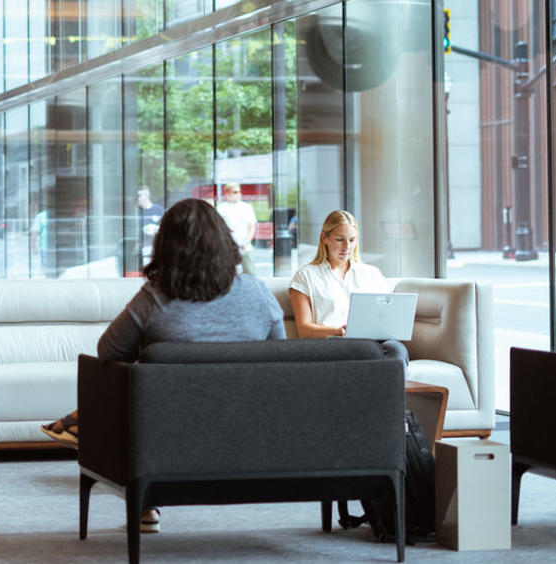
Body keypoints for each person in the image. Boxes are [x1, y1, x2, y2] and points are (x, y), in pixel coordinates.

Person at [41, 198, 286, 532]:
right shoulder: (258, 293)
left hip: (166, 434)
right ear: (226, 243)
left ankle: (104, 446)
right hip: (247, 429)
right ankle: (83, 421)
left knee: (127, 374)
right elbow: (278, 356)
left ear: (167, 248)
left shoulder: (155, 297)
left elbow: (108, 351)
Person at [287, 210, 408, 363]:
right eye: (339, 240)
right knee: (370, 352)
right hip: (332, 343)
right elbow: (304, 330)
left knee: (396, 350)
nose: (346, 247)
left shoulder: (371, 273)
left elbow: (388, 315)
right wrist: (338, 331)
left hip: (371, 342)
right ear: (324, 238)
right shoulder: (306, 276)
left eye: (352, 240)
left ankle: (385, 376)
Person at [215, 182, 258, 275]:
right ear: (227, 194)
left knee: (250, 272)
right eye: (235, 192)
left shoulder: (246, 207)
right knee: (226, 274)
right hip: (227, 247)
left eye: (239, 192)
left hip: (245, 247)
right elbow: (218, 228)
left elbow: (252, 227)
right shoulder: (221, 208)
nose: (238, 194)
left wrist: (246, 241)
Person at [135, 187, 164, 263]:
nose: (137, 198)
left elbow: (165, 227)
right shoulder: (136, 211)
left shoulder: (159, 210)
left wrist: (155, 228)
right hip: (142, 247)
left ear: (146, 196)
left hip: (155, 247)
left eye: (139, 196)